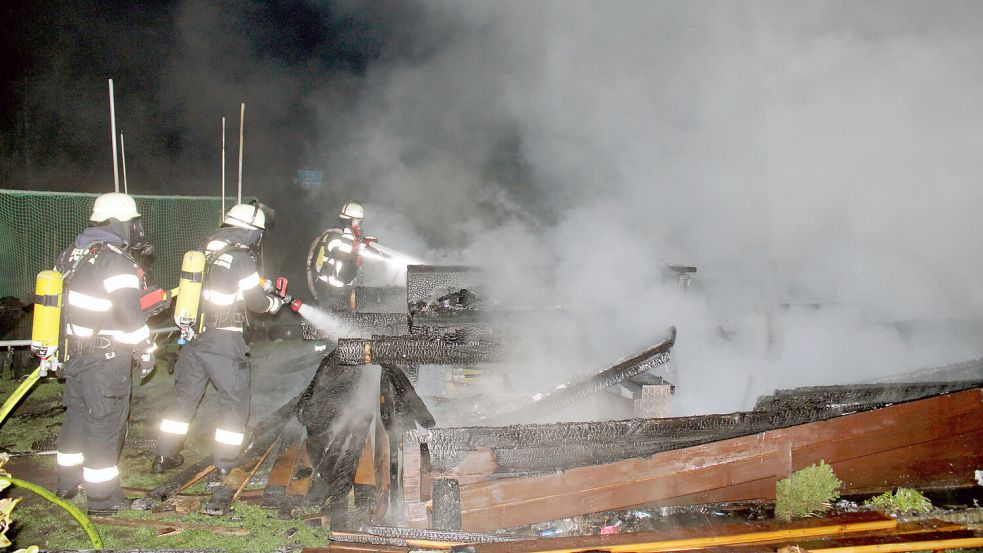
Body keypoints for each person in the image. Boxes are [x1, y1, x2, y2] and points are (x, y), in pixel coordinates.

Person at [152, 202, 284, 475]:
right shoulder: (242, 257)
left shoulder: (205, 250)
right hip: (224, 340)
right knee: (234, 400)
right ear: (248, 231)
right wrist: (273, 303)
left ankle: (163, 457)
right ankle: (226, 462)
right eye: (257, 233)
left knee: (184, 399)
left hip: (193, 337)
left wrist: (259, 284)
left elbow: (221, 285)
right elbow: (257, 304)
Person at [54, 192, 158, 515]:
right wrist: (145, 348)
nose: (135, 230)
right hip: (107, 359)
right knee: (106, 423)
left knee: (77, 417)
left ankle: (66, 482)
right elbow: (128, 313)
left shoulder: (73, 253)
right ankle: (101, 499)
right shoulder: (116, 258)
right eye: (131, 224)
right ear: (117, 223)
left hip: (77, 354)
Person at [306, 201, 384, 308]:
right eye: (357, 221)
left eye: (360, 222)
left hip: (341, 288)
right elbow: (345, 251)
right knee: (331, 319)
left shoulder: (350, 238)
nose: (359, 225)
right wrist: (363, 246)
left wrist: (370, 245)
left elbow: (354, 250)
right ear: (349, 220)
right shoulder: (334, 236)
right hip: (328, 288)